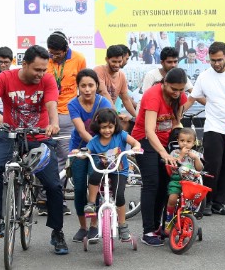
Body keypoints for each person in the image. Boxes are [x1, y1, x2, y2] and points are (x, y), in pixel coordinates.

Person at [0, 45, 67, 254]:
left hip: (39, 137)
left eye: (44, 69)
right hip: (10, 135)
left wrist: (53, 124)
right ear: (24, 64)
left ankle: (57, 231)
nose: (41, 74)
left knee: (53, 185)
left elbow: (52, 104)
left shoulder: (48, 80)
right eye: (37, 69)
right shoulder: (5, 78)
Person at [133, 67, 191, 245]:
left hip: (165, 142)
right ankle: (148, 231)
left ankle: (160, 226)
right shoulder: (153, 95)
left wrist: (181, 144)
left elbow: (175, 122)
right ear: (165, 83)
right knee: (152, 183)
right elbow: (149, 130)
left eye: (181, 90)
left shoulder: (180, 96)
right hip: (144, 140)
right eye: (174, 89)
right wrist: (164, 153)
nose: (177, 93)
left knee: (166, 185)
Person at [191, 42, 225, 215]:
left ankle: (219, 203)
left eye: (219, 60)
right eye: (212, 60)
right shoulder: (204, 76)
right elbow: (193, 97)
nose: (216, 64)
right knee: (212, 165)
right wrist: (177, 113)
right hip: (213, 126)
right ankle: (206, 201)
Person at [80, 108, 141, 244]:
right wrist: (80, 153)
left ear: (115, 126)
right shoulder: (95, 140)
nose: (107, 130)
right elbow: (87, 150)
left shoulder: (121, 135)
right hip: (103, 168)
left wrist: (136, 148)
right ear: (98, 127)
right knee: (94, 178)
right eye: (103, 127)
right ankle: (91, 204)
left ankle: (122, 225)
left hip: (120, 170)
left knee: (119, 196)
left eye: (110, 127)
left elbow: (136, 142)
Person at [67, 68, 113, 243]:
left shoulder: (104, 103)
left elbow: (111, 129)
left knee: (96, 187)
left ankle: (94, 225)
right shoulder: (73, 104)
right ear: (78, 87)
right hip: (79, 150)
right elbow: (81, 130)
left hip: (100, 150)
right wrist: (93, 148)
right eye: (83, 86)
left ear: (97, 86)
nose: (87, 89)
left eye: (91, 85)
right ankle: (82, 227)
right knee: (79, 189)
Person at [46, 31, 86, 211]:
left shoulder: (78, 59)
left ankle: (56, 200)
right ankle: (41, 199)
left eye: (57, 53)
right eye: (51, 53)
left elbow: (84, 84)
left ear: (66, 49)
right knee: (43, 156)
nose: (54, 56)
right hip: (46, 114)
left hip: (68, 114)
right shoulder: (44, 60)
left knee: (63, 158)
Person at [164, 127, 203, 229]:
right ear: (178, 141)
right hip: (177, 180)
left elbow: (199, 169)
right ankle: (168, 219)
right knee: (172, 199)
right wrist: (181, 156)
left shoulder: (196, 154)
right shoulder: (174, 153)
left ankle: (190, 218)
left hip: (191, 182)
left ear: (193, 143)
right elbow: (172, 167)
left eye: (188, 141)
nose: (185, 144)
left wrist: (196, 159)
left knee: (193, 201)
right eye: (182, 141)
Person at [94, 45, 138, 126]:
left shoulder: (122, 76)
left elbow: (126, 100)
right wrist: (117, 114)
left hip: (110, 115)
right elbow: (104, 93)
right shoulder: (99, 70)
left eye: (119, 61)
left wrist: (137, 118)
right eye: (114, 61)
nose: (117, 65)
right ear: (107, 59)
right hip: (94, 115)